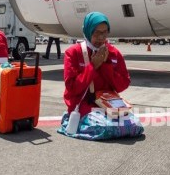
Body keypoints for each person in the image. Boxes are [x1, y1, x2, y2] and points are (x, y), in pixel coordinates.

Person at [57, 11, 143, 140]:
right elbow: (72, 87)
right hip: (85, 105)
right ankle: (74, 119)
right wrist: (92, 66)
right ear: (87, 31)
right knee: (107, 128)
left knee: (135, 126)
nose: (101, 37)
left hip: (108, 105)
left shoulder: (113, 53)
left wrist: (105, 65)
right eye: (96, 32)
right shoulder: (74, 53)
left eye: (105, 32)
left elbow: (122, 84)